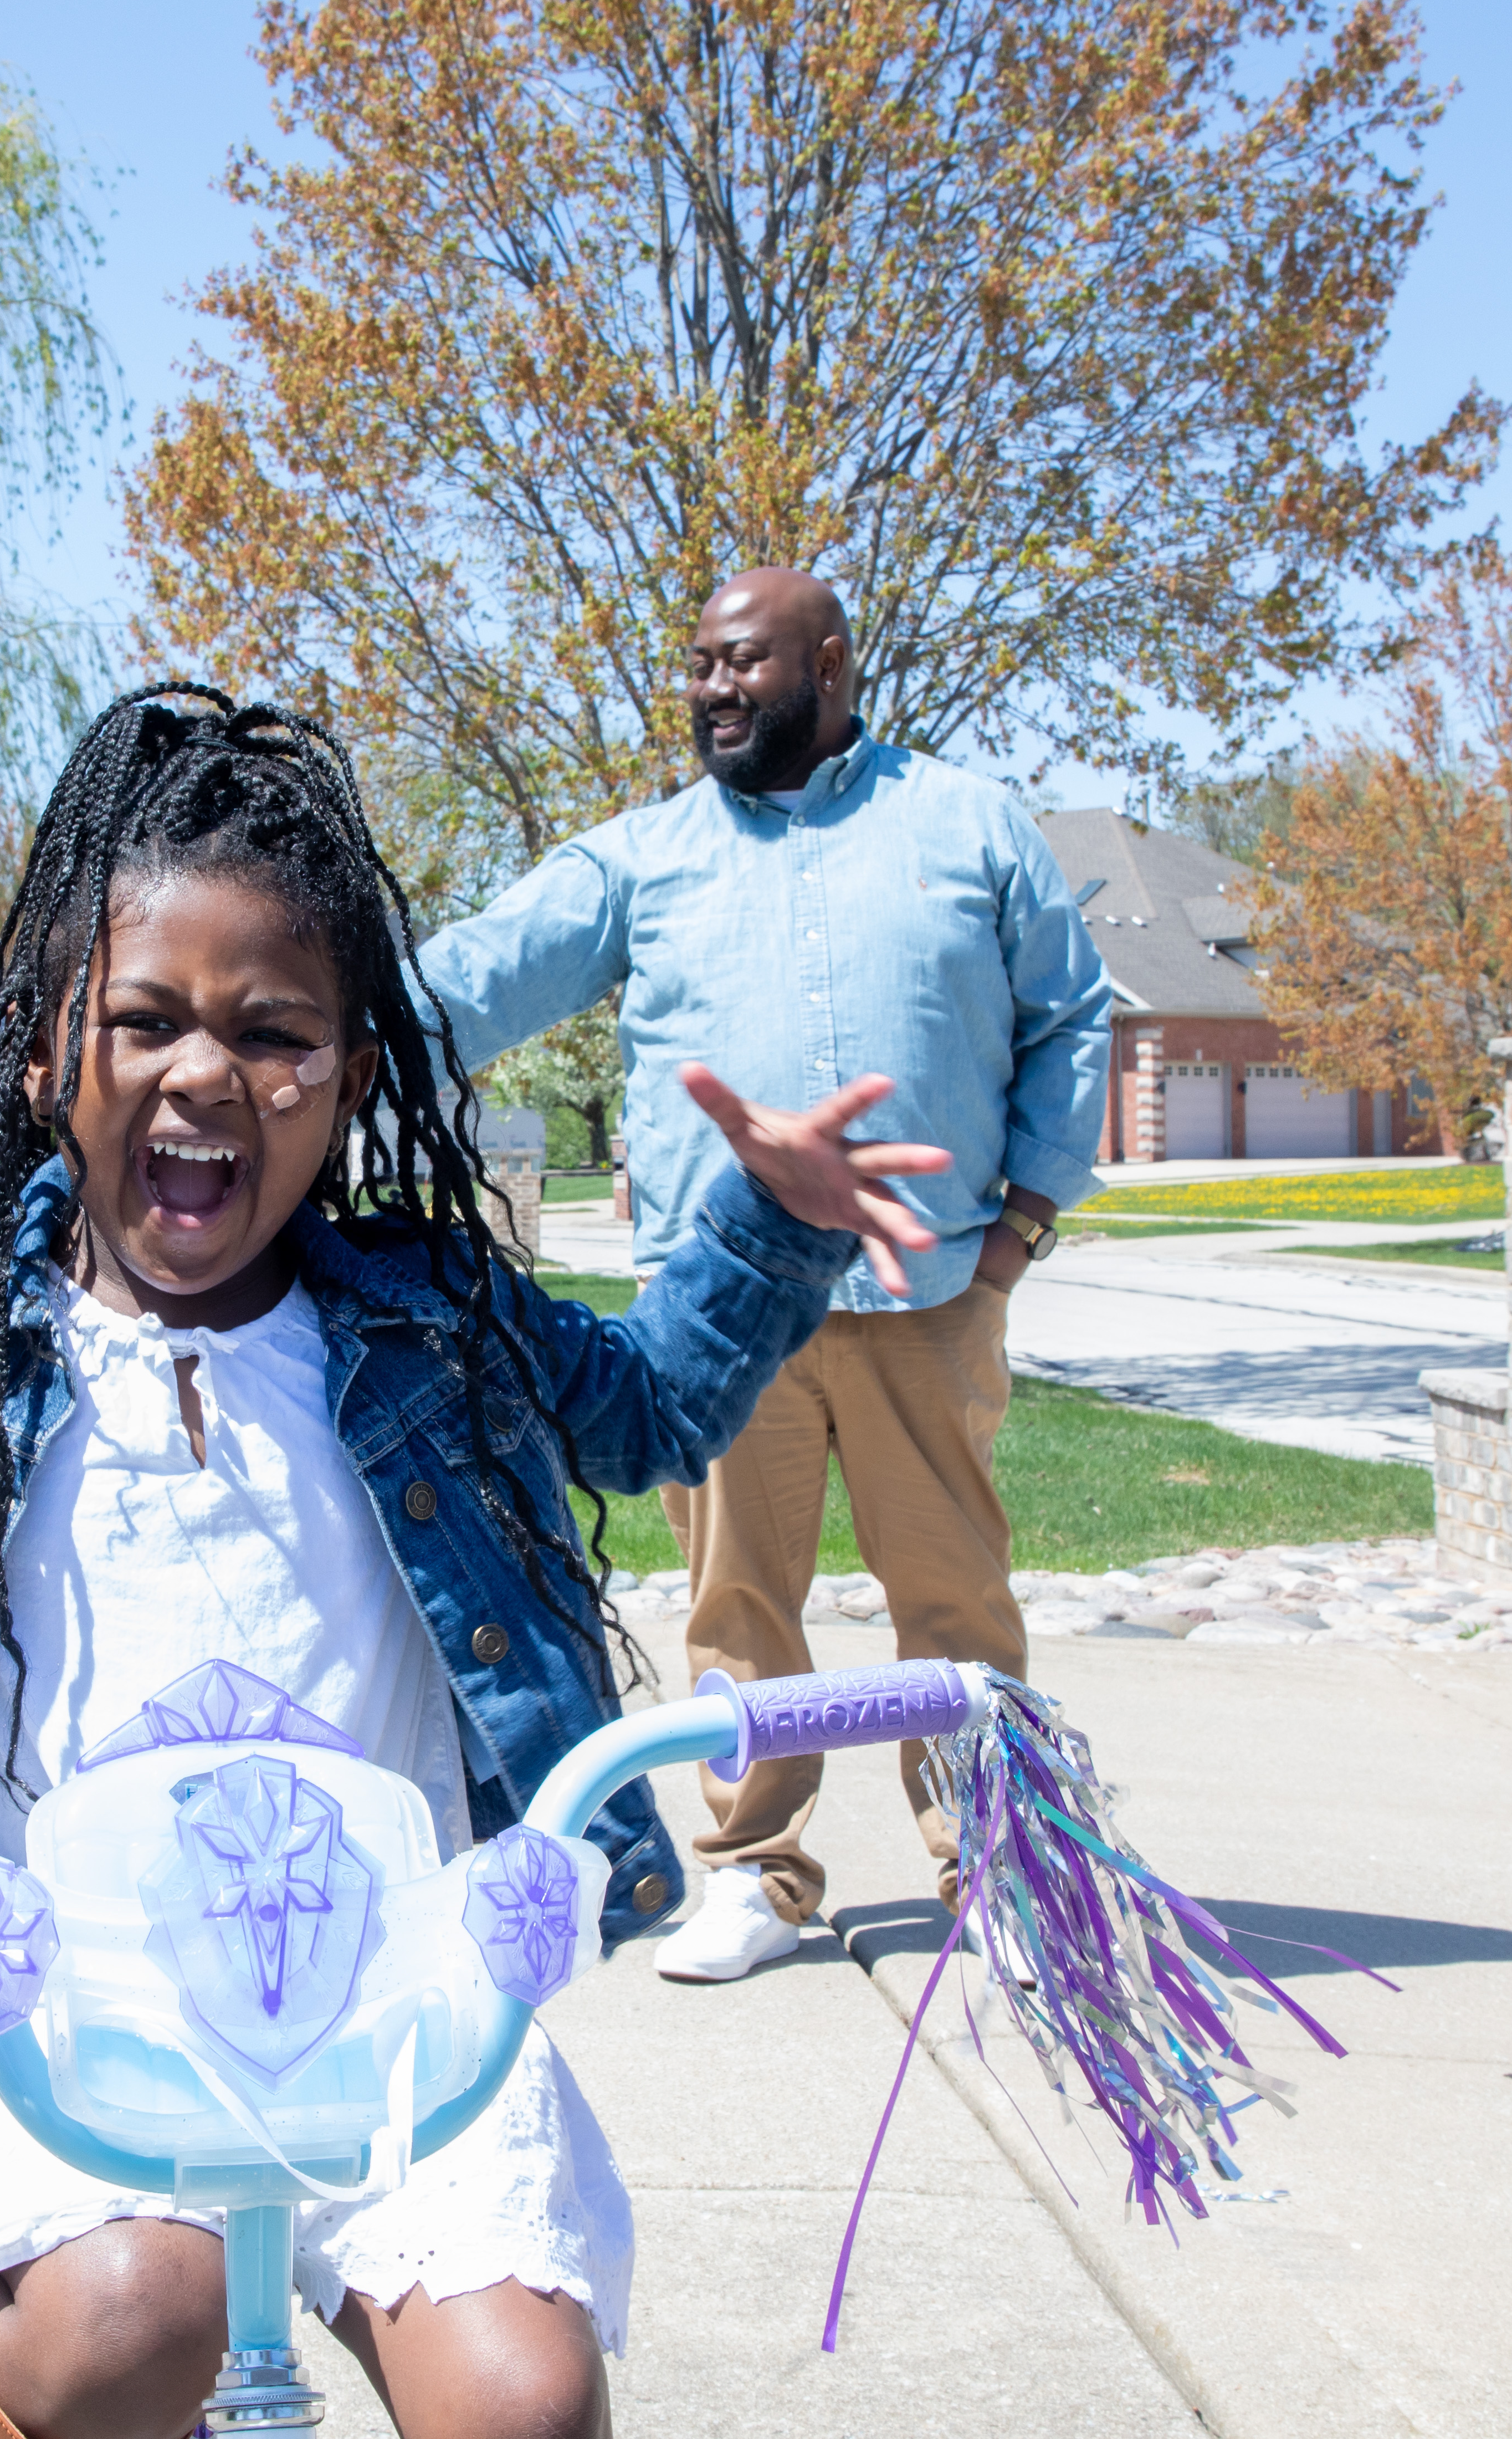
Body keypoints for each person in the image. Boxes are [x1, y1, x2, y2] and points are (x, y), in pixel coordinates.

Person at [0, 686, 946, 2439]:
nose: (206, 1072)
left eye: (276, 1033)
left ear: (352, 1080)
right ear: (50, 1049)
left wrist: (770, 1227)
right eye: (145, 1019)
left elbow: (651, 1411)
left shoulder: (430, 1322)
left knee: (524, 2401)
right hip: (28, 2018)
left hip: (374, 2002)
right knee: (147, 2310)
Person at [416, 567, 1114, 1984]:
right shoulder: (644, 858)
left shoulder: (968, 826)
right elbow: (474, 978)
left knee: (957, 1600)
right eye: (699, 666)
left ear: (832, 666)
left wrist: (1021, 1225)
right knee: (737, 1604)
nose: (713, 688)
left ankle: (997, 1871)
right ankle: (753, 1868)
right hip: (726, 1313)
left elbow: (1072, 1015)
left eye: (743, 662)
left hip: (925, 1294)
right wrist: (298, 1024)